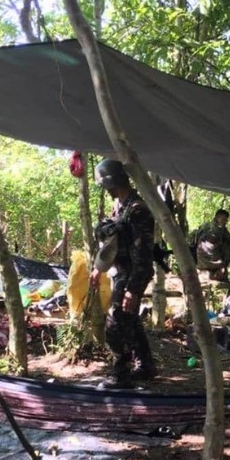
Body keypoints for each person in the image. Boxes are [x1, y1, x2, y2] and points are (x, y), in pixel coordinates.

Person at [90, 158, 157, 388]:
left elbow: (144, 257)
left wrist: (133, 290)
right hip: (120, 272)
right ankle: (145, 365)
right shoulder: (121, 206)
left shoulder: (137, 209)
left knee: (116, 321)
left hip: (132, 274)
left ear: (112, 182)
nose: (105, 190)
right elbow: (112, 244)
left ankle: (121, 374)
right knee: (130, 319)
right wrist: (98, 269)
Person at [188, 209, 230, 281]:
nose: (225, 221)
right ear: (217, 217)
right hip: (208, 263)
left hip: (206, 264)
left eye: (226, 220)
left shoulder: (206, 227)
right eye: (223, 219)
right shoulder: (207, 228)